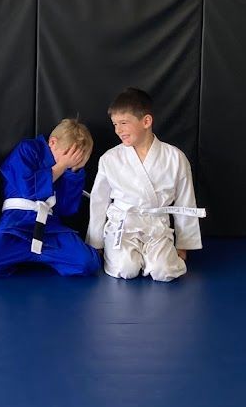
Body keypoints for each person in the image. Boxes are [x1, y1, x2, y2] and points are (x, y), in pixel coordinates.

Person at [87, 87, 205, 282]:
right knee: (126, 269)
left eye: (124, 123)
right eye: (115, 124)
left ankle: (154, 257)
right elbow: (99, 202)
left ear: (146, 121)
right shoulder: (110, 158)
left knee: (164, 271)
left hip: (156, 226)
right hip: (123, 226)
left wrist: (183, 245)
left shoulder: (175, 157)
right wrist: (96, 242)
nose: (118, 130)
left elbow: (185, 201)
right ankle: (132, 257)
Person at [0, 119, 101, 277]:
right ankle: (23, 256)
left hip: (49, 228)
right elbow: (29, 189)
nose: (69, 164)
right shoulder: (28, 149)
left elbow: (66, 209)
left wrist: (72, 173)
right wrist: (61, 166)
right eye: (68, 157)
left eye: (77, 161)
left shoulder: (69, 169)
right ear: (52, 142)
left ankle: (39, 256)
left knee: (88, 263)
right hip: (16, 223)